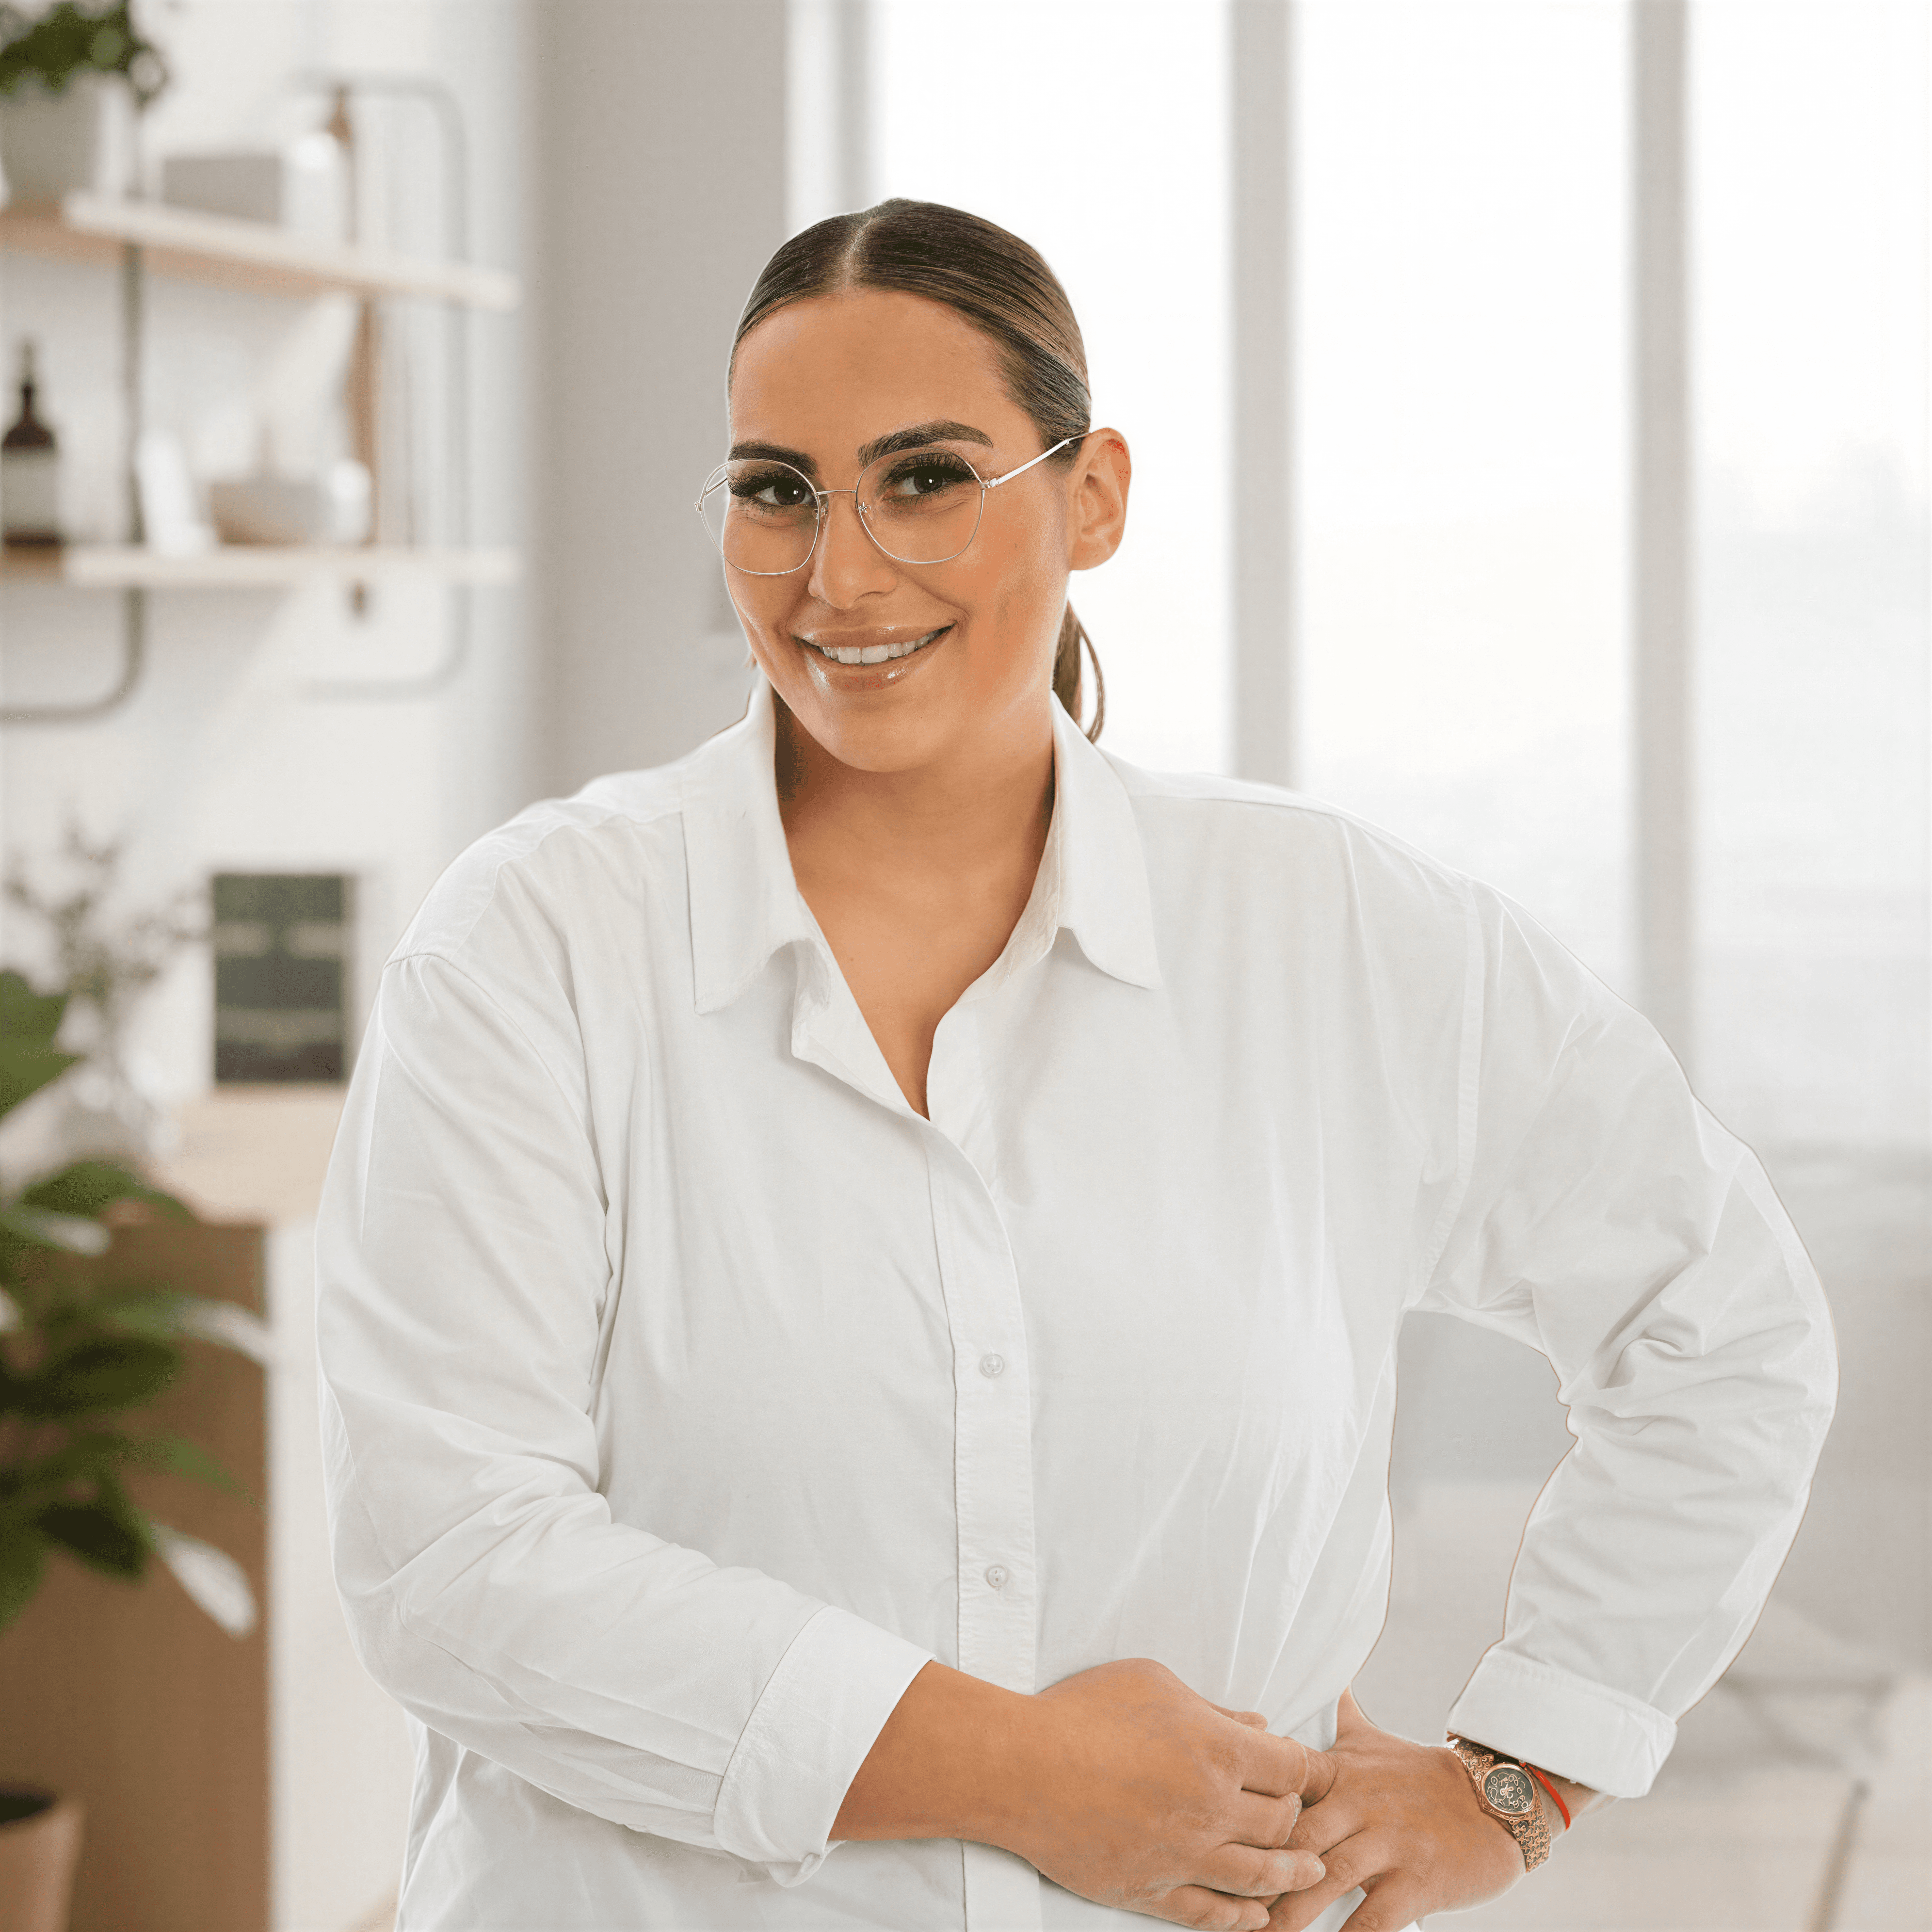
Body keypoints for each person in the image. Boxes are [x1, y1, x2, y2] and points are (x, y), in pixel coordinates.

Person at [314, 198, 1836, 1932]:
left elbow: (1725, 1326)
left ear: (1092, 493)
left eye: (925, 476)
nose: (839, 571)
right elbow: (450, 1565)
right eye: (774, 487)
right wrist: (1024, 1774)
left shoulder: (1330, 934)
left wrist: (1524, 1773)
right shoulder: (536, 950)